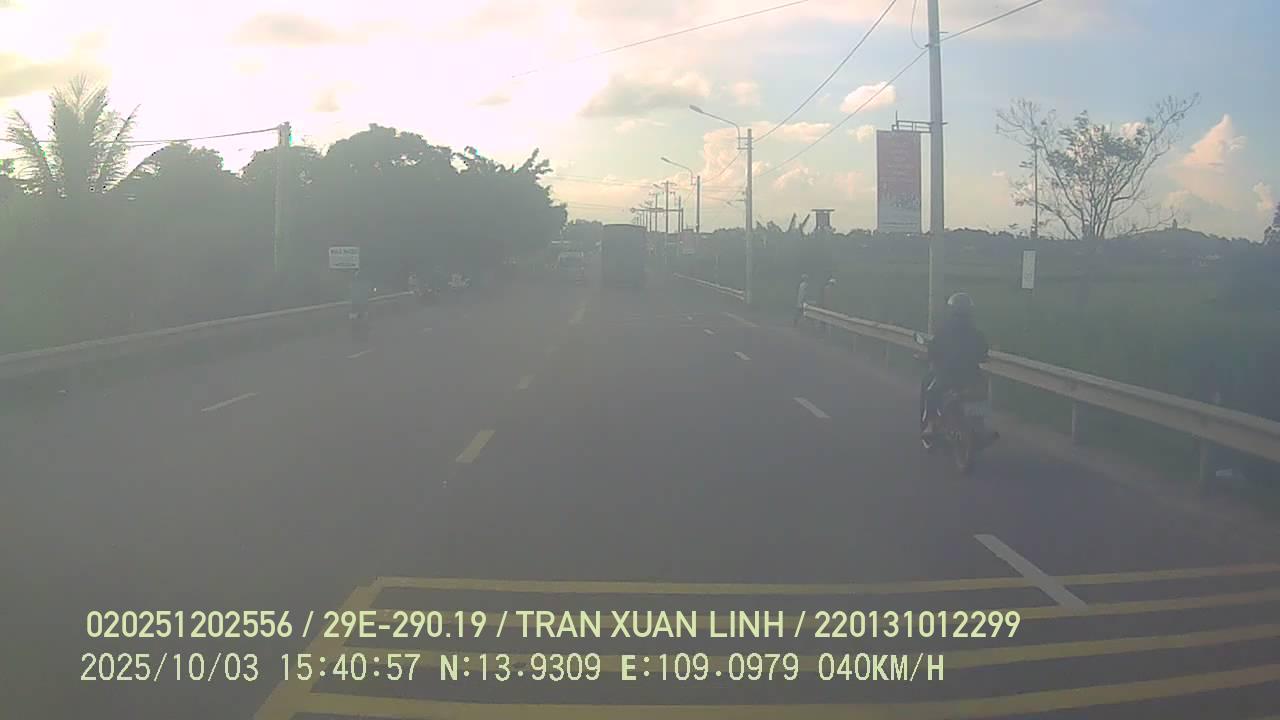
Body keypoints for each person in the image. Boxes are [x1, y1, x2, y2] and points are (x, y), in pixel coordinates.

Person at [920, 292, 990, 446]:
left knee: (931, 391)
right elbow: (984, 354)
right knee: (983, 393)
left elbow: (933, 350)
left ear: (951, 311)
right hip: (972, 377)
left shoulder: (944, 332)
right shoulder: (977, 334)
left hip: (947, 376)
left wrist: (930, 357)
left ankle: (930, 424)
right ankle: (981, 426)